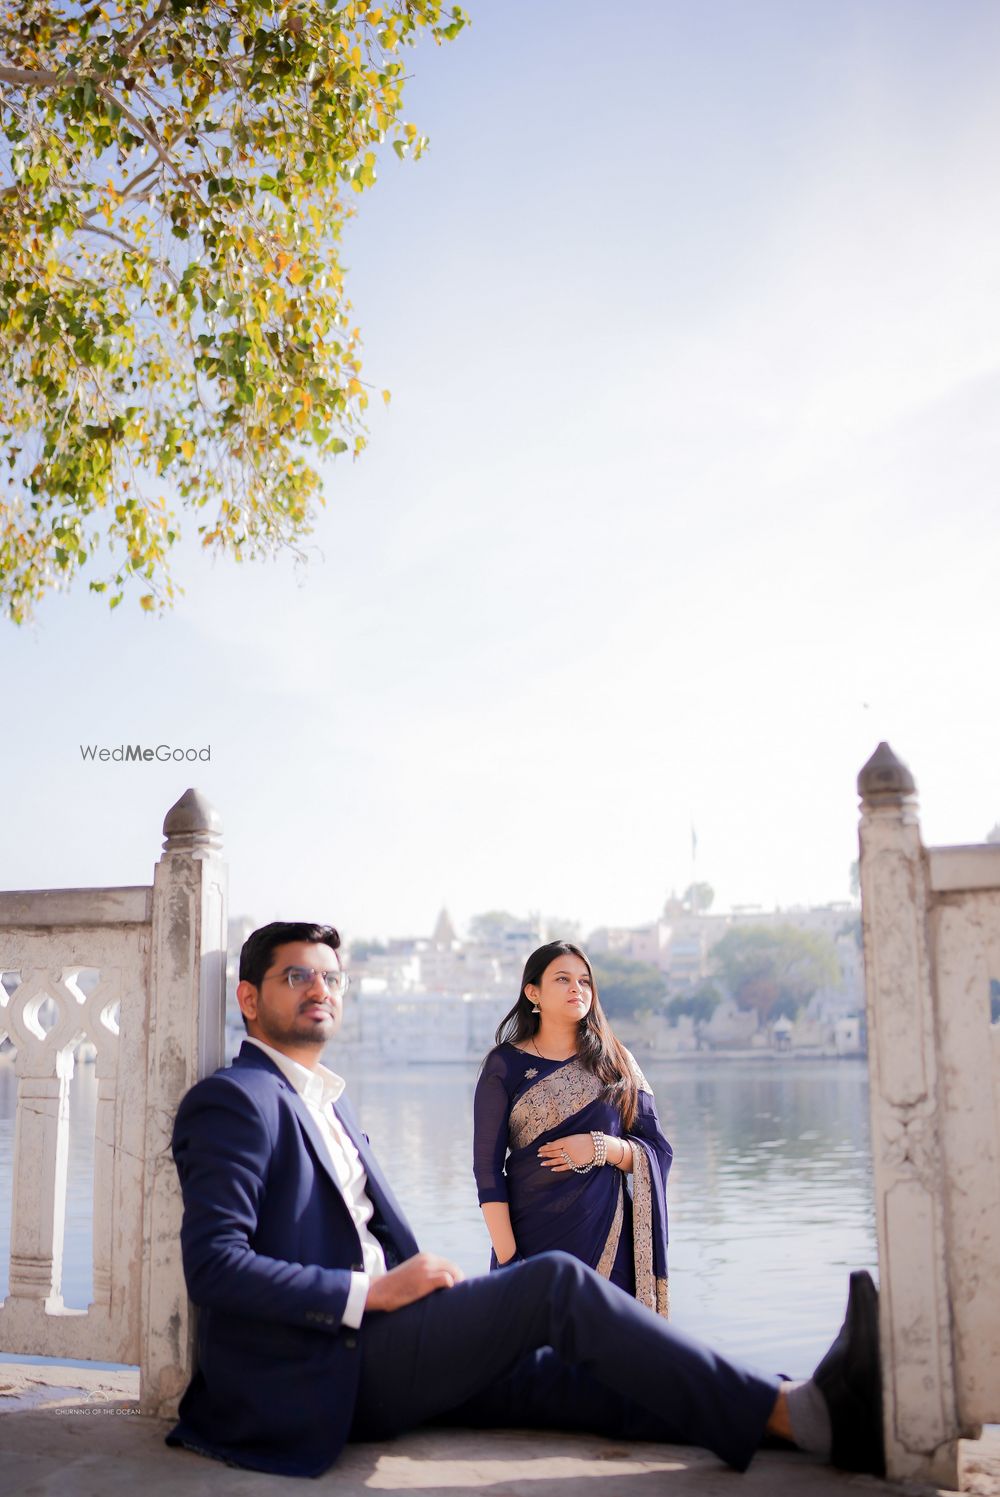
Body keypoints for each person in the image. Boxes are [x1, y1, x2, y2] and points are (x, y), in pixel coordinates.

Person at [166, 920, 884, 1480]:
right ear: (250, 998)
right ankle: (807, 1409)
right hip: (329, 1365)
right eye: (297, 976)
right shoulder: (236, 1100)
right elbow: (215, 1267)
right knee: (552, 1283)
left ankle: (795, 1407)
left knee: (574, 1377)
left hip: (392, 1341)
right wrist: (374, 1292)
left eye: (331, 976)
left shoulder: (330, 1101)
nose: (320, 987)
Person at [474, 942, 672, 1315]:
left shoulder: (616, 1062)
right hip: (530, 1241)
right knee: (534, 1363)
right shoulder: (504, 1065)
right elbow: (486, 1172)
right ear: (533, 993)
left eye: (584, 981)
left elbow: (656, 1150)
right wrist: (510, 1260)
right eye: (562, 979)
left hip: (608, 1238)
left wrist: (602, 1148)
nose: (577, 989)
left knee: (610, 1361)